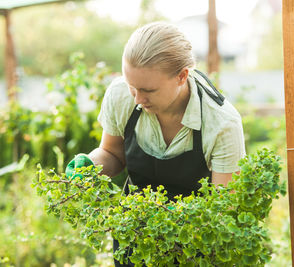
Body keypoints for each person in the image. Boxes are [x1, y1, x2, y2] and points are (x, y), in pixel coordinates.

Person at [65, 22, 245, 266]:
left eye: (148, 90)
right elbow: (113, 153)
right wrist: (91, 165)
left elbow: (224, 210)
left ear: (182, 76)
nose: (138, 99)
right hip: (134, 237)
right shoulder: (121, 96)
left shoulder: (221, 123)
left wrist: (172, 226)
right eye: (132, 86)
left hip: (196, 245)